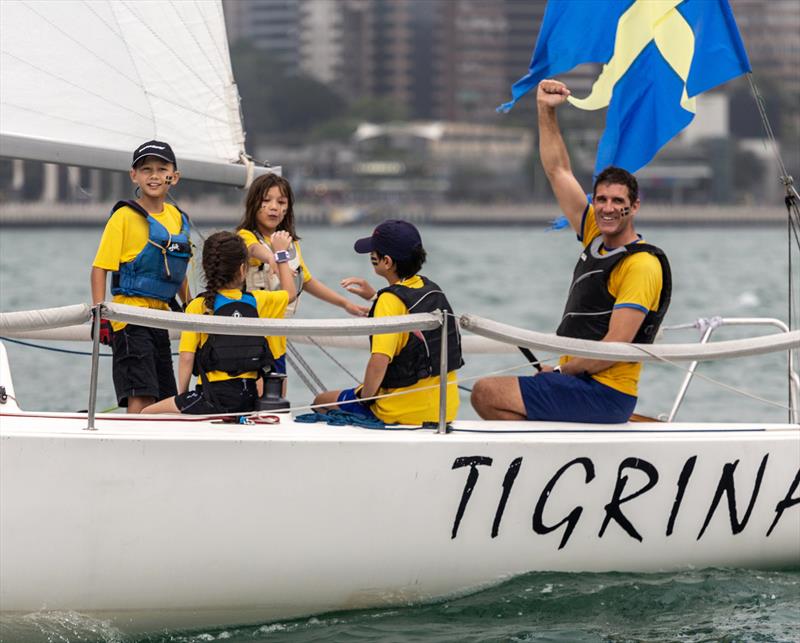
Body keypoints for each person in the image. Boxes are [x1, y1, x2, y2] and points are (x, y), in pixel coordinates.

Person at [471, 79, 671, 423]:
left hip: (606, 394)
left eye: (618, 202)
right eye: (602, 199)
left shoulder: (641, 265)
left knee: (485, 393)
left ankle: (545, 459)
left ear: (635, 206)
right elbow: (558, 169)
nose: (607, 209)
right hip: (581, 384)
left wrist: (562, 373)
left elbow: (614, 348)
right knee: (504, 395)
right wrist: (545, 110)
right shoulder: (594, 232)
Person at [313, 219, 463, 425]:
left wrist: (364, 398)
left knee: (321, 402)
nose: (370, 256)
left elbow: (379, 362)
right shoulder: (429, 287)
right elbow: (406, 310)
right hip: (445, 408)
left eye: (374, 254)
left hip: (401, 410)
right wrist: (374, 297)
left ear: (387, 262)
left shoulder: (389, 301)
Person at [142, 231, 296, 415]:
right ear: (242, 269)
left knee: (147, 413)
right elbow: (290, 292)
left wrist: (182, 396)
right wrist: (280, 254)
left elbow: (187, 358)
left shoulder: (198, 306)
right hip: (249, 399)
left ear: (207, 269)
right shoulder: (259, 301)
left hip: (211, 398)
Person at [90, 140, 192, 413]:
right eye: (146, 169)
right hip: (129, 319)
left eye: (162, 169)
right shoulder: (123, 217)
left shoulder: (178, 219)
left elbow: (178, 272)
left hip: (160, 319)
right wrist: (100, 313)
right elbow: (100, 268)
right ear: (134, 175)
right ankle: (134, 444)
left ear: (175, 177)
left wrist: (192, 307)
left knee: (165, 396)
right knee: (141, 395)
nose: (154, 176)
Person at [236, 173, 369, 377]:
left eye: (281, 202)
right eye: (266, 200)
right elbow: (254, 250)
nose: (274, 207)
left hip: (278, 337)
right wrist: (274, 257)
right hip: (252, 336)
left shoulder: (292, 244)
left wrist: (345, 304)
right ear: (254, 203)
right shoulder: (246, 236)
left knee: (278, 396)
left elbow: (306, 280)